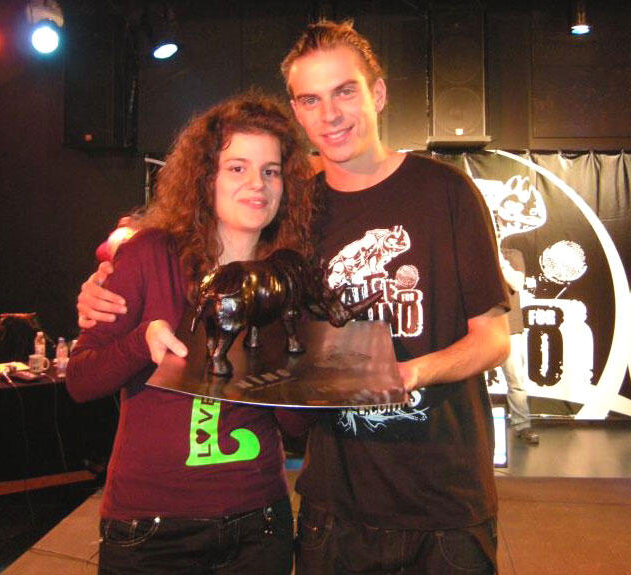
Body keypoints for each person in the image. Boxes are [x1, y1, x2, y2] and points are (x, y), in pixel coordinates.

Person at [77, 19, 511, 574]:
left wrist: (409, 374)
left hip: (443, 500)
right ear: (297, 112)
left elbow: (494, 340)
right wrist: (109, 285)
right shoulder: (296, 216)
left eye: (345, 91)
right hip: (334, 504)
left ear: (378, 94)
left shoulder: (444, 191)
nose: (330, 114)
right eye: (310, 99)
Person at [67, 92, 315, 574]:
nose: (257, 184)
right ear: (206, 178)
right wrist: (141, 341)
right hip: (150, 528)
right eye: (237, 168)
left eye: (271, 171)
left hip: (258, 522)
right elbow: (80, 381)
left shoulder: (285, 278)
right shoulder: (149, 254)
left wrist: (293, 373)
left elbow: (297, 429)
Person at [499, 247, 539, 445]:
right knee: (472, 382)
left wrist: (499, 260)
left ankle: (522, 425)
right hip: (482, 328)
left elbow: (516, 283)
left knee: (516, 380)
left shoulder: (513, 255)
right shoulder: (476, 254)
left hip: (511, 328)